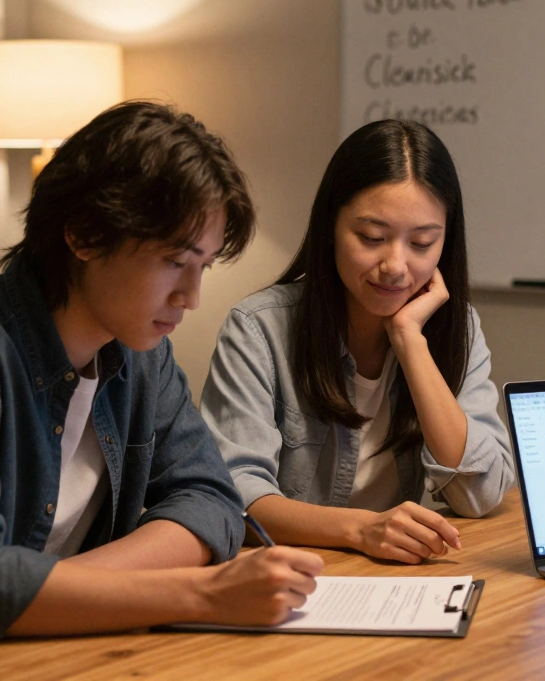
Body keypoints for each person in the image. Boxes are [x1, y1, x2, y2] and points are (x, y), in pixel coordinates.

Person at [0, 101, 323, 652]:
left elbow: (213, 499)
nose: (191, 298)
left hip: (55, 650)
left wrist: (68, 587)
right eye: (175, 262)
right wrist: (201, 594)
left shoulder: (141, 354)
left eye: (202, 267)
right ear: (82, 235)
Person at [201, 119, 514, 564]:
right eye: (372, 238)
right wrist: (363, 529)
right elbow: (236, 498)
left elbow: (480, 493)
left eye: (422, 243)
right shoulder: (258, 328)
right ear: (331, 226)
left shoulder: (455, 325)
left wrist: (410, 342)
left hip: (398, 582)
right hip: (298, 578)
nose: (396, 266)